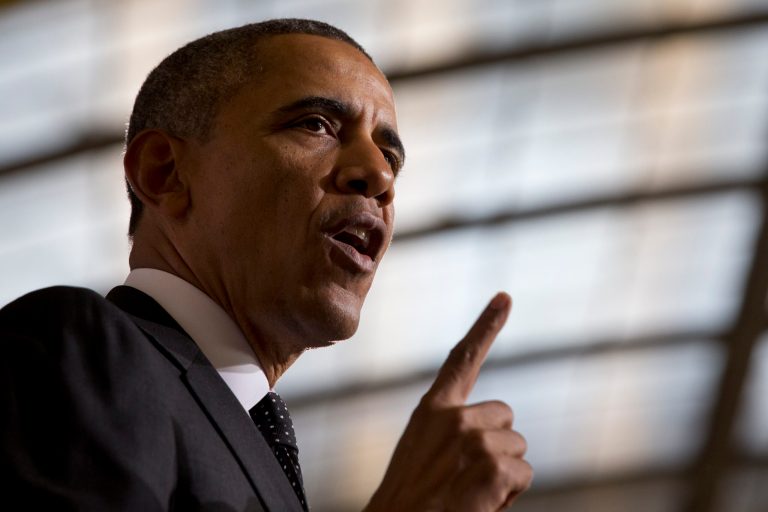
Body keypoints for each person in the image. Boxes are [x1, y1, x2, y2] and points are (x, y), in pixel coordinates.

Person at [0, 19, 532, 511]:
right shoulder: (78, 347)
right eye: (317, 124)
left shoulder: (258, 441)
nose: (378, 176)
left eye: (390, 158)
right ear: (165, 173)